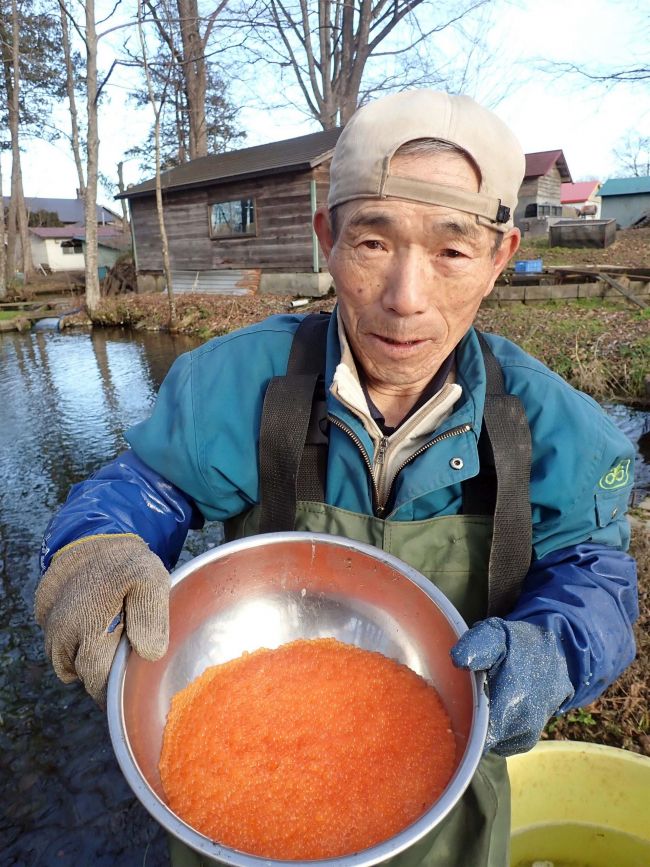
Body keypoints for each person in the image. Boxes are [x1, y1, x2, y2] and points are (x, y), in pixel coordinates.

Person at [35, 91, 638, 867]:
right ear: (328, 238)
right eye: (373, 243)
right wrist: (100, 540)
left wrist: (557, 642)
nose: (405, 298)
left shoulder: (559, 430)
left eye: (452, 251)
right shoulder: (242, 383)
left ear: (498, 257)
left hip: (447, 808)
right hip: (235, 824)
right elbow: (149, 486)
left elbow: (595, 572)